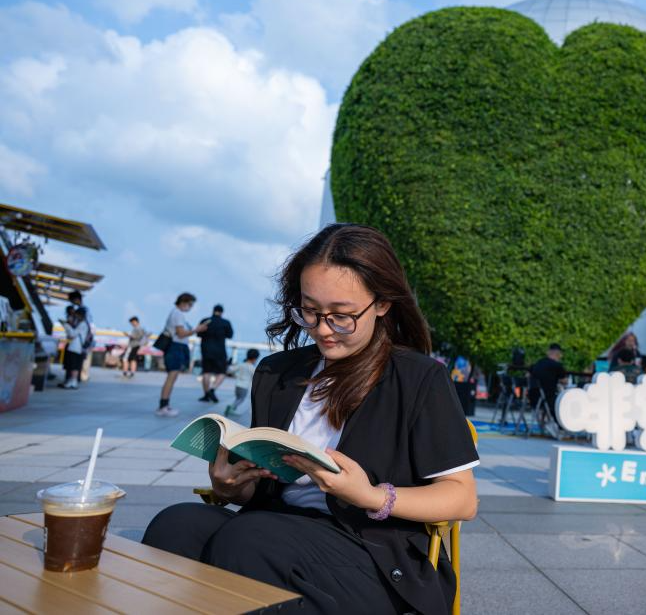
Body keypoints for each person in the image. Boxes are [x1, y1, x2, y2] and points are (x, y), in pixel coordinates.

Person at [142, 223, 480, 615]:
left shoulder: (418, 378)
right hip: (278, 527)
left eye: (342, 315)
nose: (322, 329)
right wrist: (231, 486)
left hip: (374, 553)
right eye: (310, 310)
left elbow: (462, 499)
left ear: (382, 303)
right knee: (176, 525)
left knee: (251, 539)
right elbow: (266, 491)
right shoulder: (276, 373)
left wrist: (369, 496)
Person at [157, 293, 208, 417]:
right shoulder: (178, 314)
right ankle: (163, 406)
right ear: (184, 302)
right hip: (175, 347)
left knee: (172, 377)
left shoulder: (176, 313)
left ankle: (164, 405)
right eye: (190, 304)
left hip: (175, 347)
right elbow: (181, 334)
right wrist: (197, 330)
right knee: (171, 377)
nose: (190, 307)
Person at [198, 304, 234, 403]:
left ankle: (206, 395)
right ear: (222, 312)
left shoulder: (205, 321)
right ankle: (212, 390)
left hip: (206, 350)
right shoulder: (225, 322)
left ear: (213, 310)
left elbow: (198, 333)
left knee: (206, 372)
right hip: (220, 351)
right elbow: (230, 335)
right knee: (222, 372)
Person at [529, 343, 567, 412]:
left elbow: (528, 375)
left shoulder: (538, 363)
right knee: (564, 399)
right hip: (547, 399)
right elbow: (565, 381)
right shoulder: (557, 365)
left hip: (533, 397)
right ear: (558, 354)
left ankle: (543, 418)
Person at [225, 348, 260, 418]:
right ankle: (231, 407)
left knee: (238, 398)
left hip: (237, 385)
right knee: (241, 399)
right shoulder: (252, 368)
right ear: (254, 359)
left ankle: (232, 409)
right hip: (244, 386)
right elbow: (255, 377)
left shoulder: (241, 364)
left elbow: (230, 370)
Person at [59, 308, 88, 389]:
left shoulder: (82, 324)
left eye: (77, 314)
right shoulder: (83, 323)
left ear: (79, 315)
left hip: (75, 347)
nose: (75, 316)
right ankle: (72, 381)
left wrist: (66, 325)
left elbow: (72, 334)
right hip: (77, 348)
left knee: (73, 366)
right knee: (74, 365)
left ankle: (73, 381)